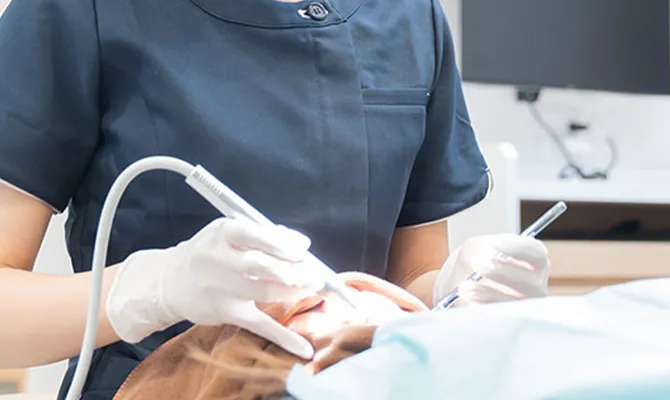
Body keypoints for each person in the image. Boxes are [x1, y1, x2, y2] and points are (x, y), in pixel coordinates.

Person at [0, 0, 550, 398]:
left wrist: (459, 290)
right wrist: (154, 288)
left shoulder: (406, 15)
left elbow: (410, 284)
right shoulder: (83, 10)